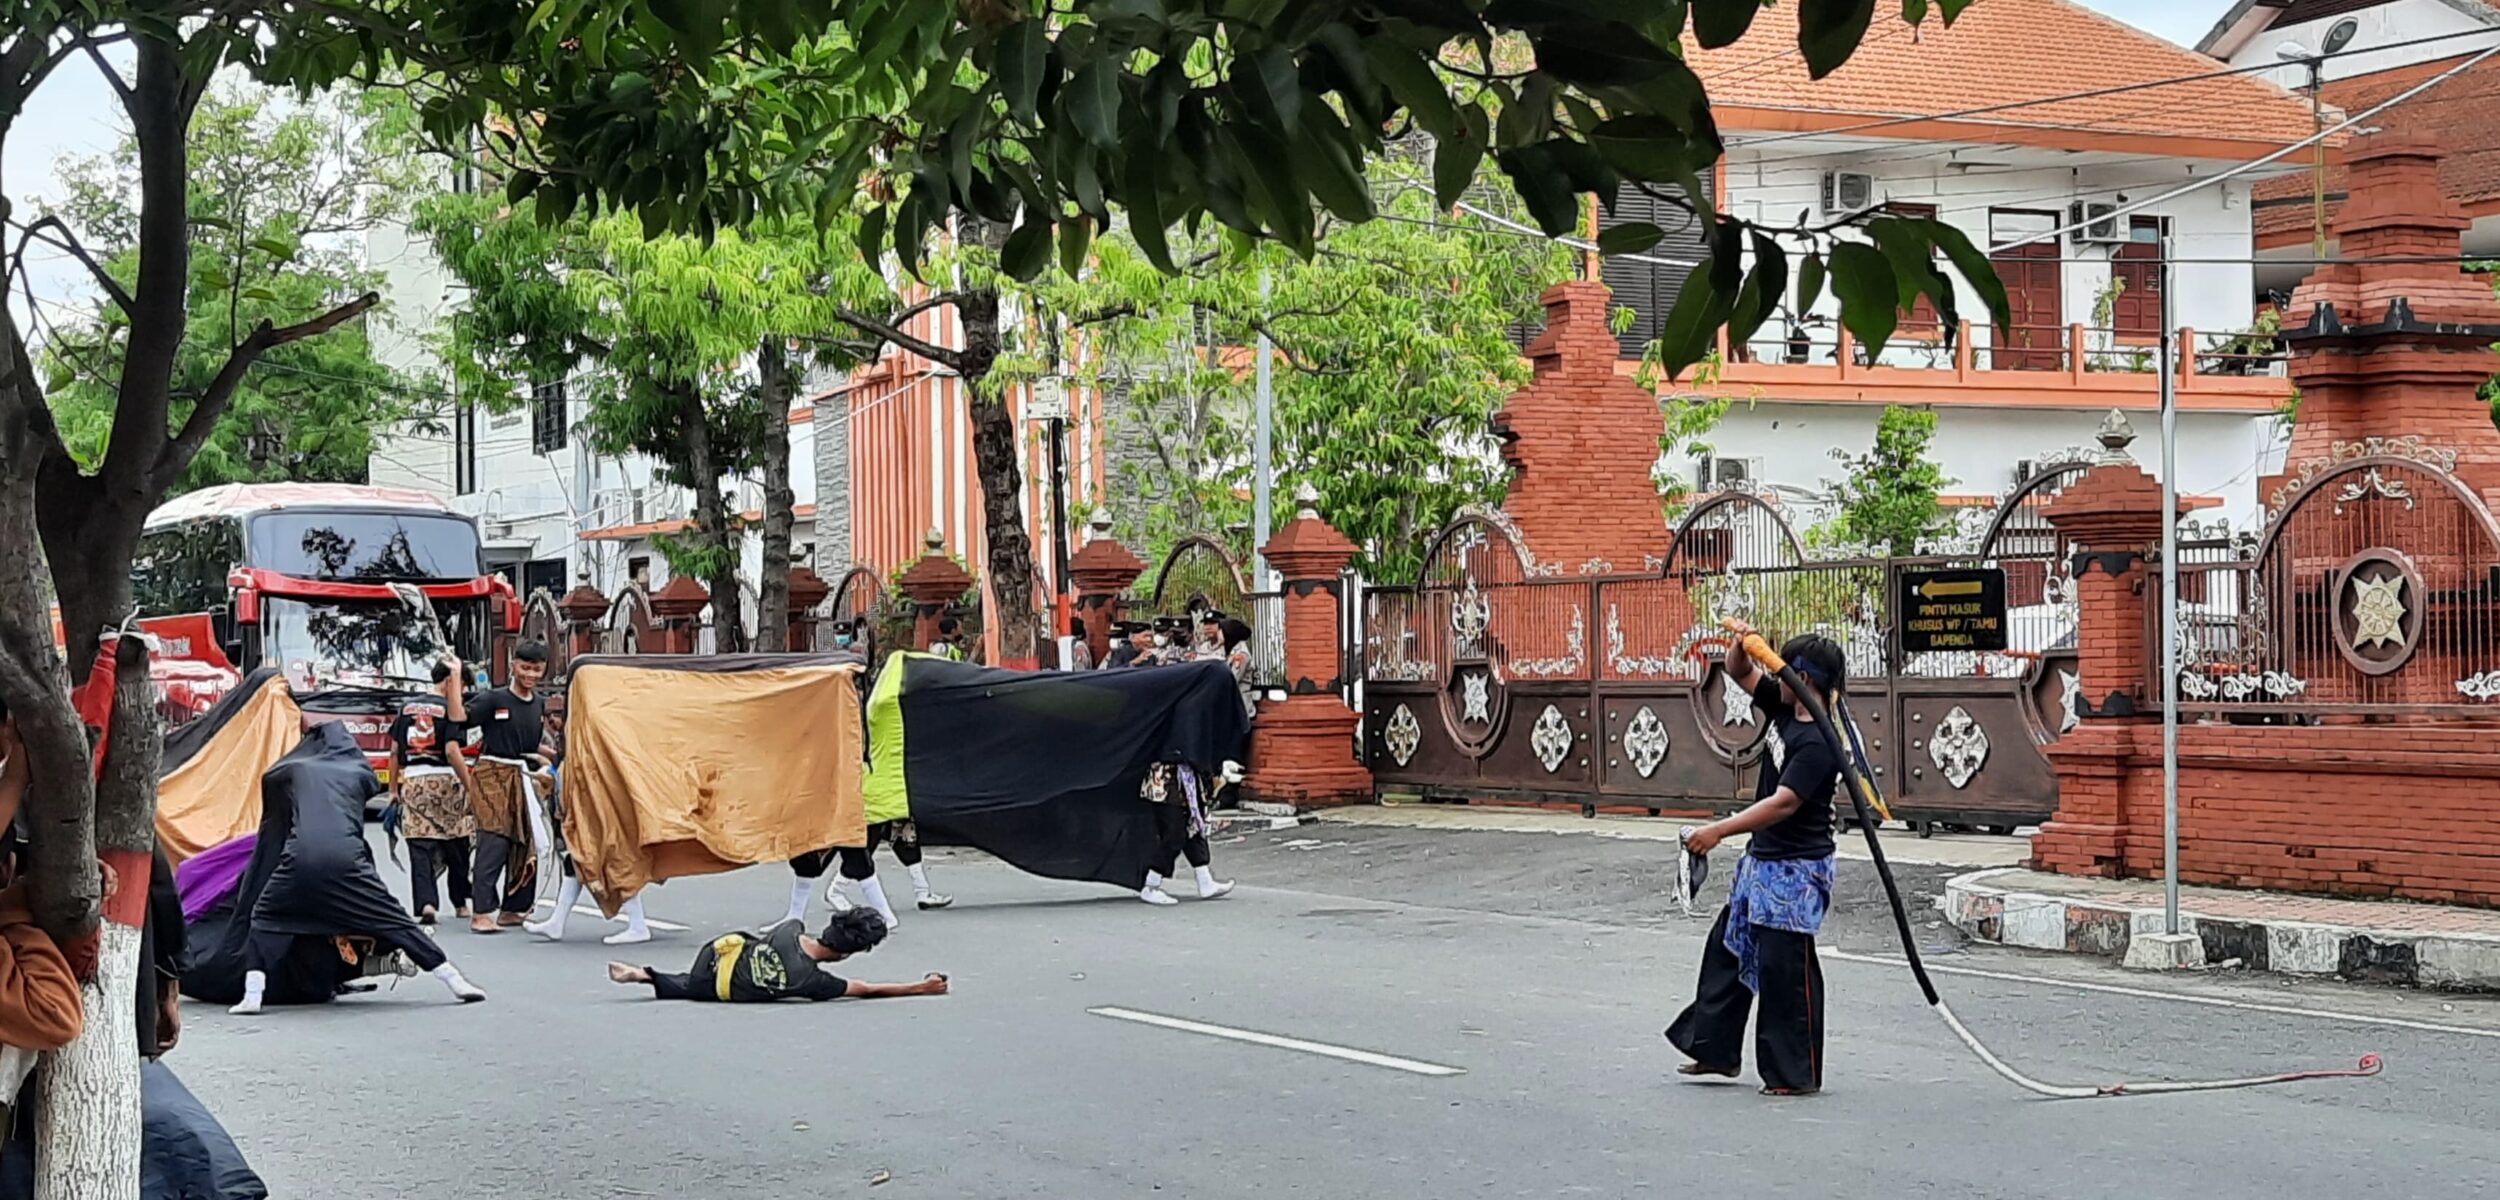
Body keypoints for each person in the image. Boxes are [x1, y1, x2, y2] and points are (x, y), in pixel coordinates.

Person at [1664, 622, 1845, 1097]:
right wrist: (1742, 642)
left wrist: (1718, 831)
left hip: (1796, 872)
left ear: (1803, 679)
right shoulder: (1783, 707)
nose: (1773, 677)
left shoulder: (1820, 742)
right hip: (1761, 864)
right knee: (1727, 951)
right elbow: (1737, 670)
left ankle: (1793, 1074)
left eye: (1780, 669)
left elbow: (1783, 803)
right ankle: (1715, 1050)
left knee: (1786, 972)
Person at [226, 724, 487, 1015]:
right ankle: (453, 979)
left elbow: (271, 778)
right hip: (348, 860)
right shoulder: (360, 773)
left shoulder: (295, 770)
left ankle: (252, 995)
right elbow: (366, 789)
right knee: (395, 921)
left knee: (264, 918)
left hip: (299, 858)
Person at [607, 908, 949, 1004]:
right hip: (715, 986)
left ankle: (643, 974)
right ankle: (645, 975)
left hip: (712, 953)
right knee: (706, 988)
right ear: (846, 954)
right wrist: (920, 987)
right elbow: (866, 989)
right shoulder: (813, 981)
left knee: (746, 945)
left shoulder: (790, 928)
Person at [387, 677, 473, 926]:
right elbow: (452, 751)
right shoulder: (451, 710)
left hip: (415, 781)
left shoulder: (406, 708)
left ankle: (427, 904)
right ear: (450, 682)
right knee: (457, 841)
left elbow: (394, 751)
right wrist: (470, 786)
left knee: (420, 845)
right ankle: (460, 903)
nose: (463, 692)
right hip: (447, 780)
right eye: (462, 686)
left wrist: (393, 789)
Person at [1137, 758, 1233, 906]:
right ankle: (1151, 885)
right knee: (1174, 834)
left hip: (1189, 780)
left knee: (1193, 828)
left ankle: (1205, 880)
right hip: (1164, 782)